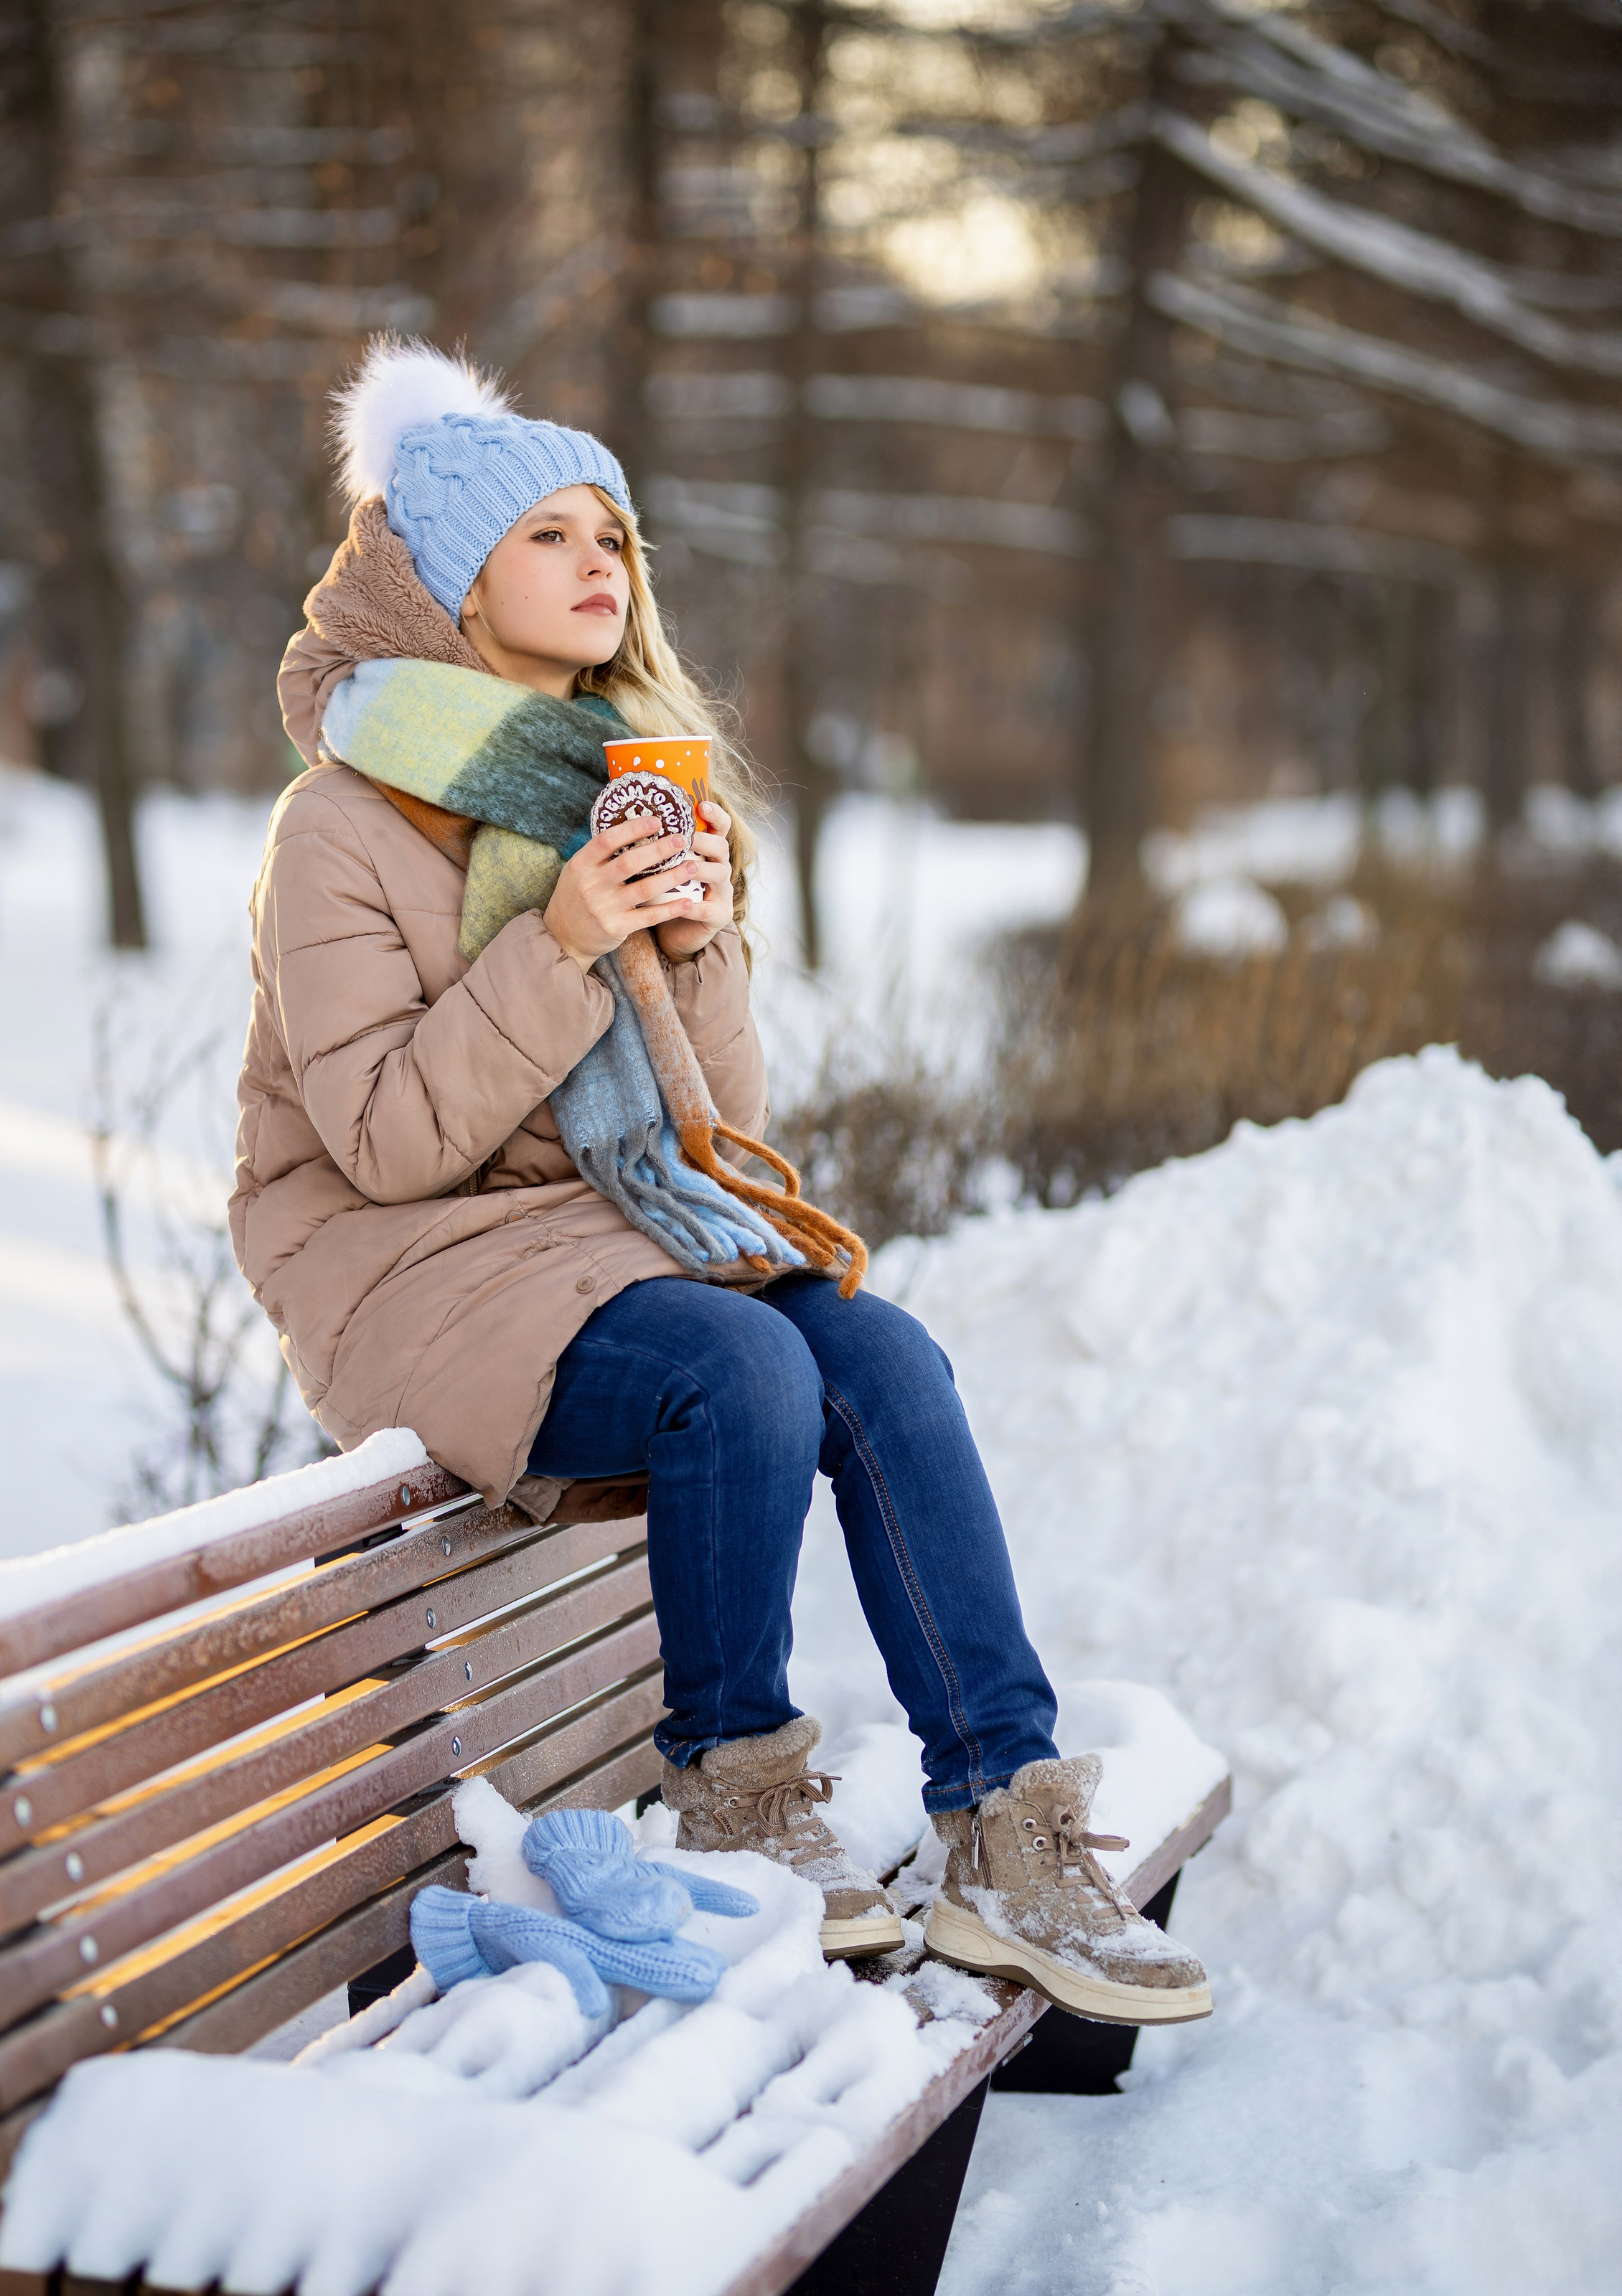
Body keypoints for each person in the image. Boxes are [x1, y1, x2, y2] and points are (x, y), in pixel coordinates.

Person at [233, 340, 1209, 2026]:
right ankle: (738, 1798)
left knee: (875, 1353)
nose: (601, 565)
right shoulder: (344, 825)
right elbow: (388, 1141)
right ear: (454, 577)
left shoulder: (617, 780)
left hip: (594, 1245)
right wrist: (562, 942)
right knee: (743, 1360)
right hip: (401, 1267)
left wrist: (696, 944)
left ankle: (1005, 1826)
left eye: (612, 535)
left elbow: (712, 1135)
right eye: (551, 537)